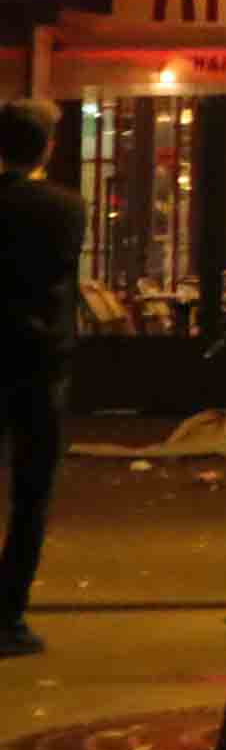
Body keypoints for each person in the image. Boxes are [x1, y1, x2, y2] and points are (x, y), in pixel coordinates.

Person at [1, 98, 84, 658]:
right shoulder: (65, 208)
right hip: (38, 362)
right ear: (46, 150)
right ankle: (8, 614)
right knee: (32, 493)